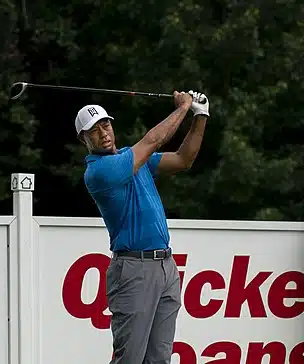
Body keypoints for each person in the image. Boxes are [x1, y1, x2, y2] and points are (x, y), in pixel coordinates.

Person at [76, 91, 209, 363]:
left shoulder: (133, 159)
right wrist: (184, 107)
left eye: (106, 125)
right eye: (93, 130)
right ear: (83, 139)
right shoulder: (100, 172)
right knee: (130, 359)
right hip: (133, 271)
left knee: (160, 358)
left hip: (166, 267)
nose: (103, 133)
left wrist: (200, 115)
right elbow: (152, 140)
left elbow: (184, 159)